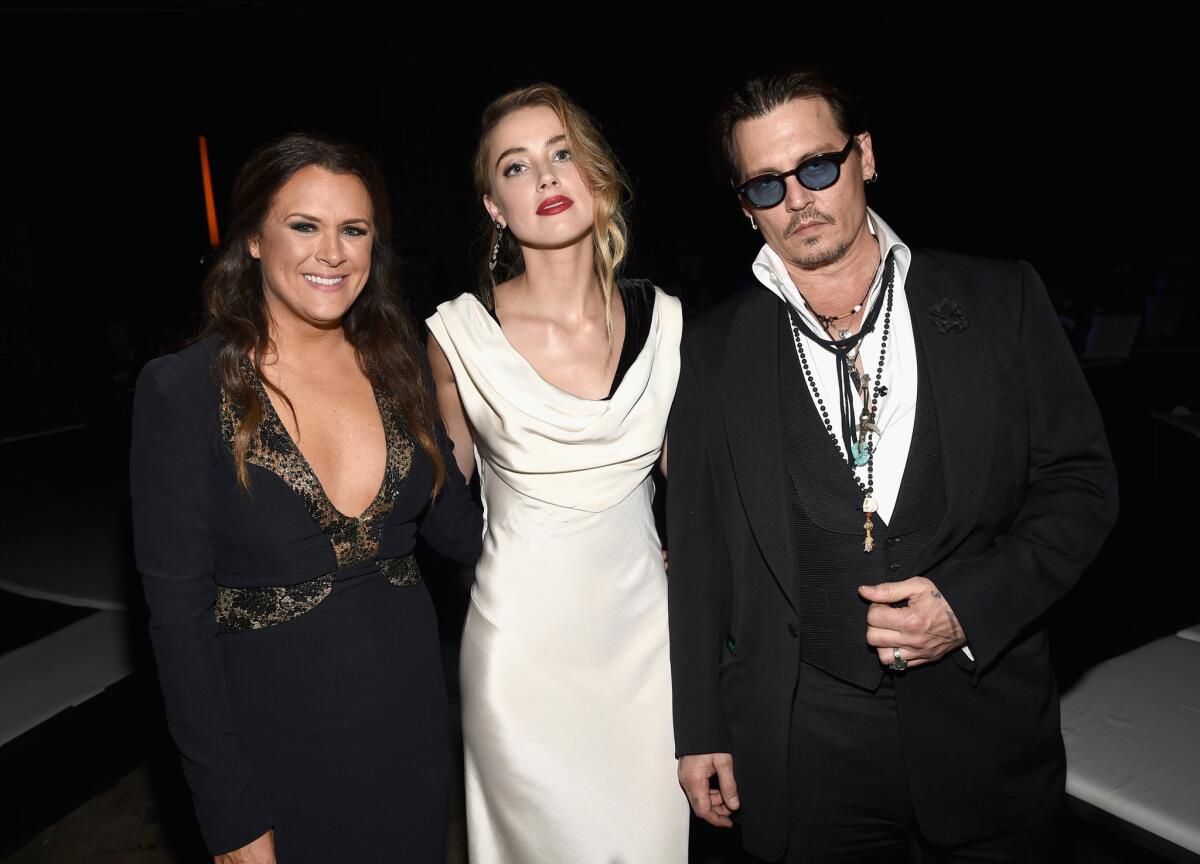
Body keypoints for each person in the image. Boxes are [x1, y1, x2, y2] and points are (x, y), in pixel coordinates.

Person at [667, 69, 1119, 863]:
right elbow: (700, 550)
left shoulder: (998, 299)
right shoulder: (710, 350)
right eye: (767, 185)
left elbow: (1081, 486)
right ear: (745, 207)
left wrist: (969, 608)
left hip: (986, 730)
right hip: (807, 744)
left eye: (817, 166)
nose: (799, 199)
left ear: (864, 157)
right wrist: (700, 727)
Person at [130, 133, 482, 864]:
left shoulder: (402, 364)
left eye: (354, 229)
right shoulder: (183, 390)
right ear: (255, 237)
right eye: (304, 226)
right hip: (274, 749)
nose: (333, 252)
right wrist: (227, 813)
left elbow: (463, 533)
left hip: (410, 730)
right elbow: (177, 625)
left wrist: (606, 533)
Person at [426, 84, 689, 863]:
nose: (544, 177)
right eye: (517, 166)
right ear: (494, 206)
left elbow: (712, 500)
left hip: (649, 656)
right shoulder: (459, 335)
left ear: (598, 179)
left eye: (562, 153)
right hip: (521, 657)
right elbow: (437, 514)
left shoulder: (668, 324)